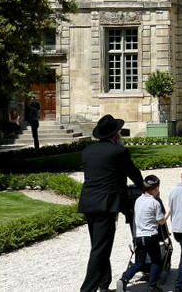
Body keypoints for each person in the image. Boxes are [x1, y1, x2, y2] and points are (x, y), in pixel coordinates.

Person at [77, 114, 143, 292]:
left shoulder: (87, 151)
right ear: (115, 135)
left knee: (98, 244)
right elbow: (133, 173)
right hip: (106, 204)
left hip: (89, 202)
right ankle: (87, 289)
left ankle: (103, 282)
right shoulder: (119, 152)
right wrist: (143, 186)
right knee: (100, 248)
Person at [116, 174, 168, 292]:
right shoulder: (155, 202)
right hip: (151, 236)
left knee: (139, 262)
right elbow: (161, 221)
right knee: (155, 261)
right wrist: (168, 212)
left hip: (139, 236)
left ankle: (124, 279)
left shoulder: (138, 200)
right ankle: (152, 286)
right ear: (156, 189)